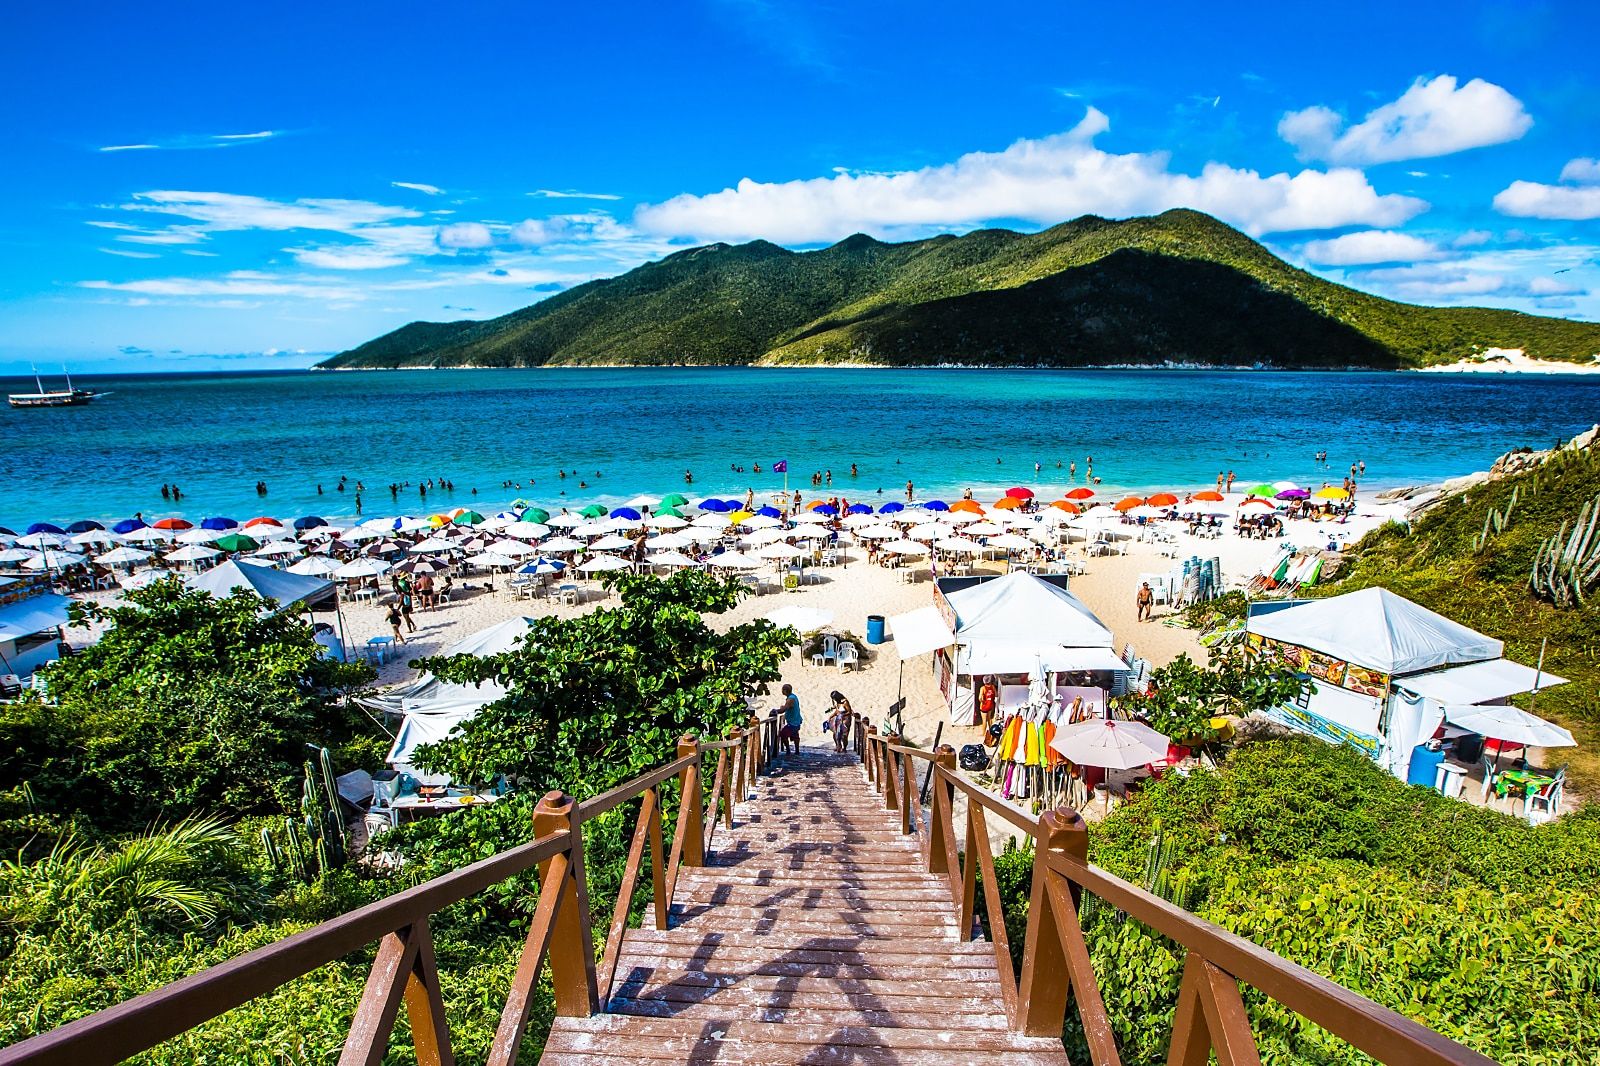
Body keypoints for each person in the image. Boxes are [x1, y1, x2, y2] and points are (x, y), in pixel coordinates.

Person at [776, 684, 802, 755]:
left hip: (793, 722)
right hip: (796, 720)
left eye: (782, 690)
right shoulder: (793, 696)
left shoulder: (790, 699)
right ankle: (797, 751)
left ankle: (788, 751)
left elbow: (784, 709)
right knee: (795, 735)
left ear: (785, 690)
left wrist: (776, 711)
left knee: (783, 735)